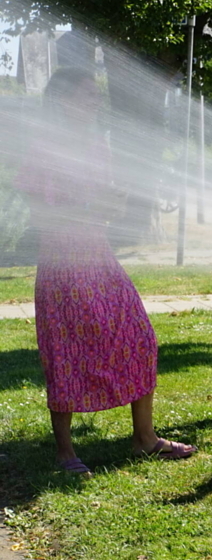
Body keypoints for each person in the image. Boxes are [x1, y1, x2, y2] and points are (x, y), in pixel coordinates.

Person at [15, 68, 195, 477]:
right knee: (65, 354)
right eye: (87, 95)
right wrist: (87, 209)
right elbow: (39, 213)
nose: (96, 102)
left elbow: (105, 206)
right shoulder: (42, 148)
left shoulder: (98, 145)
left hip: (98, 255)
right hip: (62, 261)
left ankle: (144, 439)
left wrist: (113, 205)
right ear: (64, 101)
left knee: (139, 337)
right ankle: (65, 452)